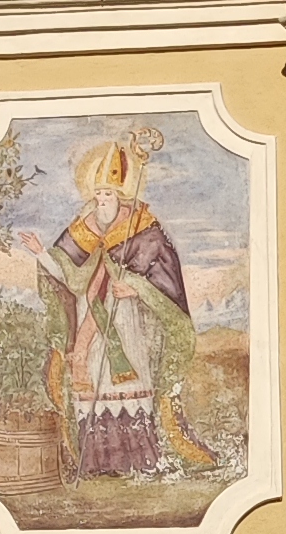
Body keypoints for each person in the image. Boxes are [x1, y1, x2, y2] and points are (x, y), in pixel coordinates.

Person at [33, 126, 214, 483]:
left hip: (128, 320)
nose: (100, 200)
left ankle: (139, 459)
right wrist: (41, 254)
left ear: (120, 196)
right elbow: (67, 274)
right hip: (90, 318)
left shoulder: (143, 227)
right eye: (96, 193)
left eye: (106, 194)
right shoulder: (84, 226)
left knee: (127, 383)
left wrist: (135, 288)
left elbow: (166, 283)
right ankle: (96, 462)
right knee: (92, 384)